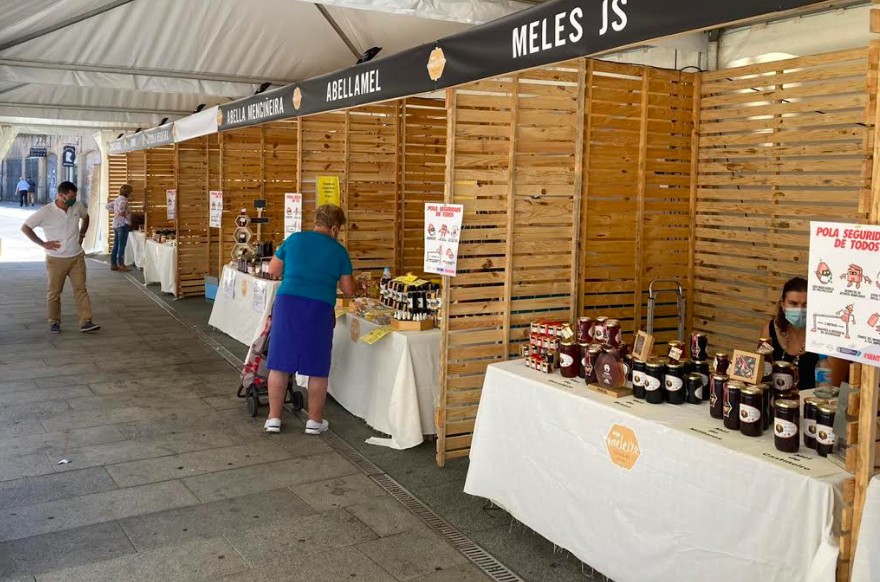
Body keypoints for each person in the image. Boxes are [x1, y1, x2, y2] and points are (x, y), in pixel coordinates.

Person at [264, 204, 354, 434]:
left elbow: (273, 269)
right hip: (320, 307)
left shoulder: (294, 240)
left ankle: (273, 418)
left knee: (280, 363)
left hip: (288, 303)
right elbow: (348, 289)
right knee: (317, 366)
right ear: (334, 228)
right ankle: (314, 421)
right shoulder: (339, 251)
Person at [20, 181, 101, 334]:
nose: (73, 199)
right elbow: (25, 228)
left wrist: (82, 234)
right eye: (70, 196)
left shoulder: (77, 206)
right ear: (60, 195)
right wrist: (43, 244)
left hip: (77, 256)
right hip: (56, 259)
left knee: (81, 289)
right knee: (54, 292)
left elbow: (86, 217)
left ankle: (86, 321)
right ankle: (54, 321)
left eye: (75, 196)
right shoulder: (46, 212)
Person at [760, 276, 847, 390]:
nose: (800, 310)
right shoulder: (770, 330)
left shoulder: (829, 337)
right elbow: (760, 372)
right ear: (783, 304)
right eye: (793, 303)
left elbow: (832, 388)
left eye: (806, 304)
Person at [105, 184, 133, 272]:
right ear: (127, 192)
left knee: (116, 245)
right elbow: (122, 209)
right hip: (123, 224)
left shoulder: (117, 199)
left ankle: (113, 264)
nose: (132, 193)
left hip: (116, 224)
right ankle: (121, 265)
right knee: (122, 245)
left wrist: (115, 212)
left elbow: (107, 206)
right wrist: (123, 213)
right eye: (131, 192)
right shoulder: (124, 200)